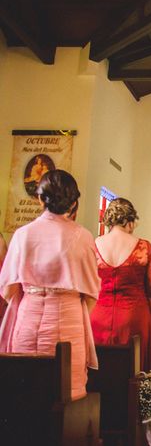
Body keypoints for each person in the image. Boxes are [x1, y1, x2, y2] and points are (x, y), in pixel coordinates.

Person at [0, 170, 100, 399]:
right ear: (74, 202)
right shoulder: (82, 236)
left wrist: (33, 297)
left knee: (26, 394)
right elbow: (92, 292)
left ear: (39, 198)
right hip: (68, 322)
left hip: (28, 316)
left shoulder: (22, 234)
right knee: (64, 394)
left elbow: (7, 289)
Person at [91, 198, 151, 372]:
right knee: (134, 372)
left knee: (102, 372)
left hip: (98, 317)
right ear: (130, 222)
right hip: (134, 318)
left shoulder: (94, 244)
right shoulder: (143, 247)